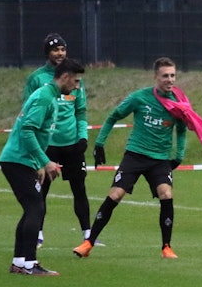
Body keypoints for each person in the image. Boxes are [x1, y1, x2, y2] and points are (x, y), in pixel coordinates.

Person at [73, 57, 188, 259]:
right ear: (155, 77)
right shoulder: (139, 98)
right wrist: (100, 143)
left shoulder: (178, 104)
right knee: (116, 194)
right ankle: (88, 243)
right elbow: (113, 116)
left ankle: (166, 247)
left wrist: (178, 155)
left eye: (172, 75)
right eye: (165, 76)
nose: (170, 79)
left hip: (160, 158)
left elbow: (181, 130)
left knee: (166, 194)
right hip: (135, 155)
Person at [1, 59, 86, 275]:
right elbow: (28, 130)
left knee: (32, 207)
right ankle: (30, 264)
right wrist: (45, 161)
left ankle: (20, 262)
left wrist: (38, 163)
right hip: (17, 159)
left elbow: (37, 133)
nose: (77, 86)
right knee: (36, 208)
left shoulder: (51, 96)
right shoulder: (44, 97)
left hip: (23, 159)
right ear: (65, 77)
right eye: (75, 81)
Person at [23, 33, 92, 248]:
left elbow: (81, 112)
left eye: (62, 49)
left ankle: (88, 234)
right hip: (47, 145)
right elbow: (28, 111)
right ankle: (38, 233)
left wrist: (83, 137)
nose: (60, 53)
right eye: (55, 50)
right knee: (41, 189)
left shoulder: (76, 80)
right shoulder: (37, 79)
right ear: (47, 53)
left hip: (72, 144)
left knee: (79, 188)